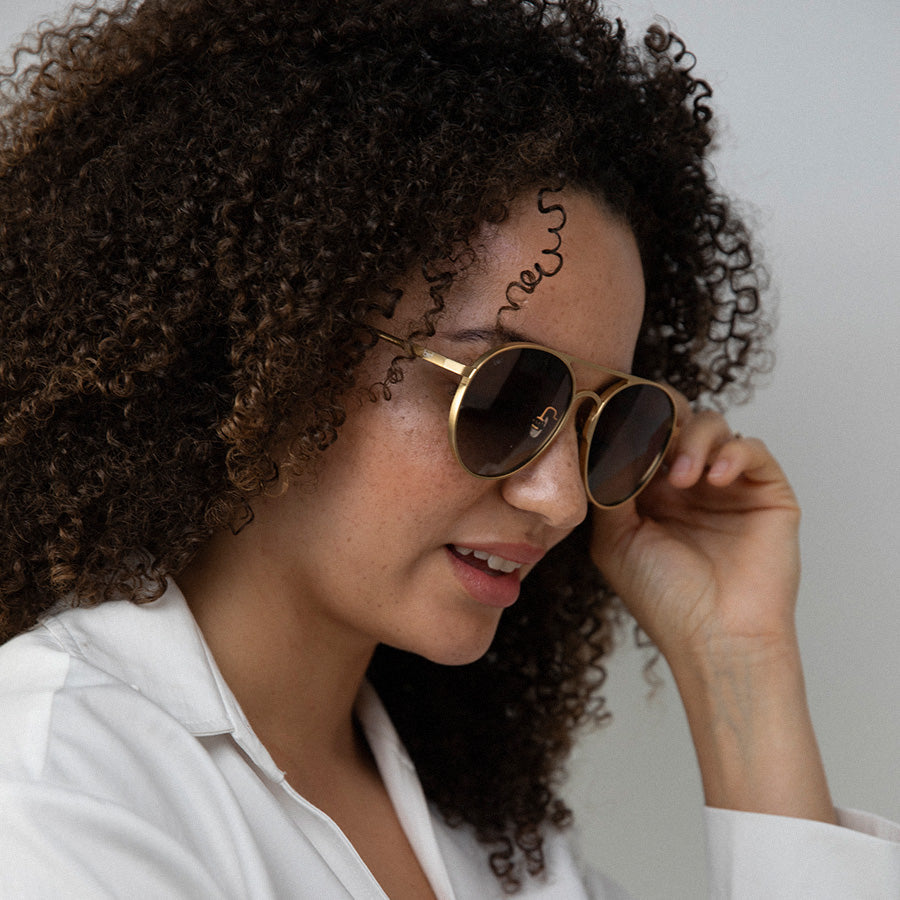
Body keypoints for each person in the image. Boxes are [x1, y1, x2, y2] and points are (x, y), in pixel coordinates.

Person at [0, 0, 897, 896]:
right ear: (273, 348)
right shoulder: (52, 785)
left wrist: (739, 665)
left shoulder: (491, 836)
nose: (563, 500)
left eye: (602, 421)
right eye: (506, 394)